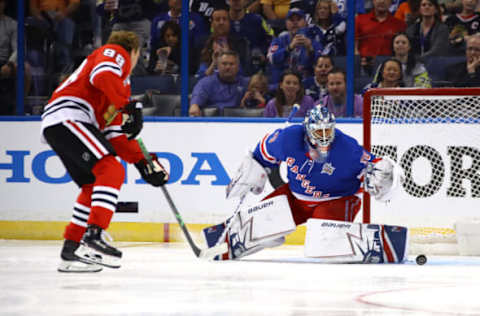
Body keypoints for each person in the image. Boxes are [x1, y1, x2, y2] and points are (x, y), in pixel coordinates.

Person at [203, 105, 404, 260]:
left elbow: (375, 165)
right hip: (295, 198)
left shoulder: (347, 148)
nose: (325, 137)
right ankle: (224, 241)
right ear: (308, 130)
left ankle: (378, 243)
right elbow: (261, 154)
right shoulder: (287, 139)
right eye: (319, 132)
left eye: (328, 131)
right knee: (264, 226)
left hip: (336, 200)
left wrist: (384, 173)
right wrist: (250, 173)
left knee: (321, 240)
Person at [40, 31, 169, 272]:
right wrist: (129, 106)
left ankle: (71, 251)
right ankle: (94, 237)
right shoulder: (114, 53)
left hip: (66, 122)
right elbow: (103, 75)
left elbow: (113, 134)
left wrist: (144, 163)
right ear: (134, 52)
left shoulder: (118, 89)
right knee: (110, 169)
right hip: (69, 116)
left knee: (92, 185)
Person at [267, 8, 321, 84]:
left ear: (305, 23)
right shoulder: (279, 40)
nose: (295, 23)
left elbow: (320, 65)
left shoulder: (313, 41)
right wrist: (289, 48)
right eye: (291, 20)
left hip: (306, 84)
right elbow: (271, 59)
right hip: (281, 84)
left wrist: (310, 49)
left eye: (298, 19)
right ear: (286, 23)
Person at [189, 50, 249, 116]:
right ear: (217, 66)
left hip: (239, 123)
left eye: (231, 64)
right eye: (224, 64)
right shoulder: (206, 83)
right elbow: (195, 104)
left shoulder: (246, 83)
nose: (228, 67)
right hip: (213, 123)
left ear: (238, 67)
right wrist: (194, 106)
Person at [195, 7, 250, 79]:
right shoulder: (202, 42)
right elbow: (199, 76)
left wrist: (228, 53)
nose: (221, 22)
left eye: (224, 19)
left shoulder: (240, 42)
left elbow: (242, 73)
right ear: (212, 24)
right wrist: (213, 64)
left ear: (229, 23)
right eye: (217, 20)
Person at [355, 0, 406, 76]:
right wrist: (358, 59)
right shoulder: (359, 20)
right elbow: (353, 45)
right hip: (365, 67)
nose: (382, 1)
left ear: (391, 2)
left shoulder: (400, 24)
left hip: (390, 68)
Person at [28, 0, 80, 73]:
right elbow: (33, 7)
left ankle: (65, 66)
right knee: (30, 23)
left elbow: (75, 3)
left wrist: (64, 13)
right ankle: (37, 64)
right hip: (42, 16)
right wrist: (39, 17)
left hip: (62, 15)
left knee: (66, 25)